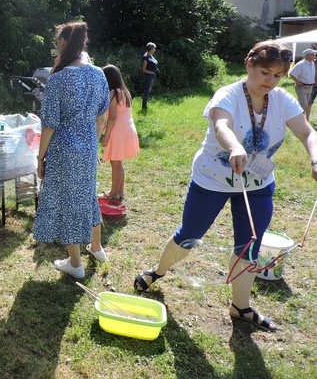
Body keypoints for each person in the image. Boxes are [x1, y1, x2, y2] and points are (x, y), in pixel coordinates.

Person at [133, 40, 317, 332]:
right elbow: (222, 127)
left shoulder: (283, 100)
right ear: (249, 65)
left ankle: (240, 306)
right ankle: (158, 271)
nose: (270, 81)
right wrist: (233, 147)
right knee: (190, 234)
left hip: (257, 183)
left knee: (249, 245)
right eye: (265, 72)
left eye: (277, 75)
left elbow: (308, 132)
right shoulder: (228, 95)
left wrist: (315, 158)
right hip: (212, 180)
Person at [33, 22, 110, 278]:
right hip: (88, 147)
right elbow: (102, 116)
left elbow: (49, 125)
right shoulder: (99, 74)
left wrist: (40, 156)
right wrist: (93, 143)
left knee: (68, 202)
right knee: (87, 194)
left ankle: (75, 264)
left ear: (64, 44)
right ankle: (97, 247)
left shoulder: (59, 78)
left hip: (64, 150)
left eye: (57, 43)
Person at [99, 64, 140, 202]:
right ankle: (120, 192)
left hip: (119, 131)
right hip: (128, 128)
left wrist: (106, 137)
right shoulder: (125, 91)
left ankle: (113, 193)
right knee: (118, 162)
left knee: (115, 164)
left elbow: (112, 117)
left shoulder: (113, 93)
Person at [288, 48, 316, 119]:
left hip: (310, 87)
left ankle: (304, 120)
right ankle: (299, 120)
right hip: (302, 87)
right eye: (312, 55)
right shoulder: (301, 64)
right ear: (307, 56)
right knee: (303, 105)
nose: (314, 56)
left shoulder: (312, 63)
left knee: (306, 104)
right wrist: (297, 82)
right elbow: (291, 73)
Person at [141, 42, 160, 111]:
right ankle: (144, 106)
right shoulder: (146, 57)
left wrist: (156, 70)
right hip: (149, 76)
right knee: (147, 91)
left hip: (152, 76)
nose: (155, 50)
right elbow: (144, 69)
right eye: (154, 48)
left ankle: (145, 105)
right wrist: (151, 72)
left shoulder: (151, 56)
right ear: (151, 49)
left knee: (149, 90)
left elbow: (154, 64)